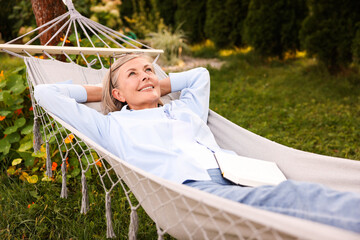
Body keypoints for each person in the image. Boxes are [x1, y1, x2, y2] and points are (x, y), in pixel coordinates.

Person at [34, 54, 360, 233]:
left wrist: (150, 86)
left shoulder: (184, 107)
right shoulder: (111, 125)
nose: (146, 74)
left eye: (149, 69)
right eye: (132, 74)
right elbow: (47, 94)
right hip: (192, 190)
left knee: (299, 194)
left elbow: (200, 74)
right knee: (299, 196)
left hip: (242, 173)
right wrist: (104, 92)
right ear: (117, 94)